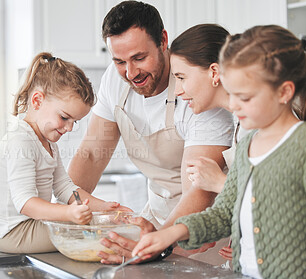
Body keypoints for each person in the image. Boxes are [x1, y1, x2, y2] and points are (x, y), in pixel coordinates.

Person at [132, 24, 306, 279]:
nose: (232, 105)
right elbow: (223, 212)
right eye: (233, 94)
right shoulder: (249, 145)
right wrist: (170, 234)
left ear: (284, 92)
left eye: (244, 97)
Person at [67, 1, 234, 264]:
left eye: (139, 58)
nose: (130, 72)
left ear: (163, 40)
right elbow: (90, 154)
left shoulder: (200, 96)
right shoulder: (115, 78)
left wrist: (161, 243)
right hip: (155, 219)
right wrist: (66, 216)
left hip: (200, 231)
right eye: (120, 61)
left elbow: (199, 191)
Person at [0, 52, 126, 254]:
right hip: (14, 233)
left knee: (100, 223)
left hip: (30, 225)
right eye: (64, 117)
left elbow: (65, 188)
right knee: (94, 231)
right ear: (37, 101)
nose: (69, 128)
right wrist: (69, 213)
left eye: (74, 122)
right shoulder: (21, 141)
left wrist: (103, 208)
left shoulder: (48, 144)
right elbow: (25, 203)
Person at [170, 23, 251, 263]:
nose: (177, 90)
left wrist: (218, 181)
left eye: (182, 77)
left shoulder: (257, 125)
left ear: (214, 73)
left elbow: (280, 202)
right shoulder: (240, 123)